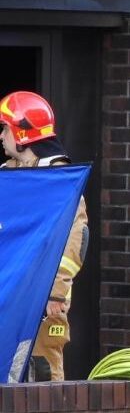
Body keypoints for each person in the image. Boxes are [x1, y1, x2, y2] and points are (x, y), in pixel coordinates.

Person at [0, 90, 88, 382]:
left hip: (46, 298)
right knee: (10, 372)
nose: (1, 136)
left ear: (22, 133)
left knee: (44, 370)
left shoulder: (59, 178)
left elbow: (76, 238)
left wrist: (56, 291)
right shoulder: (8, 173)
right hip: (12, 293)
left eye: (5, 128)